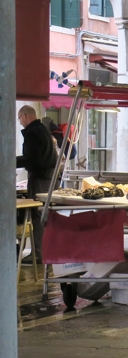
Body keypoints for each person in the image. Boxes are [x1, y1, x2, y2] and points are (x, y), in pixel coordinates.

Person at [16, 106, 58, 264]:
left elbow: (32, 159)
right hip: (50, 179)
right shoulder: (43, 130)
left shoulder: (32, 133)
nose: (20, 123)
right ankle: (46, 252)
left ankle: (39, 255)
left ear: (25, 116)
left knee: (39, 216)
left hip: (40, 179)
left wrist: (10, 161)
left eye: (19, 119)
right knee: (46, 216)